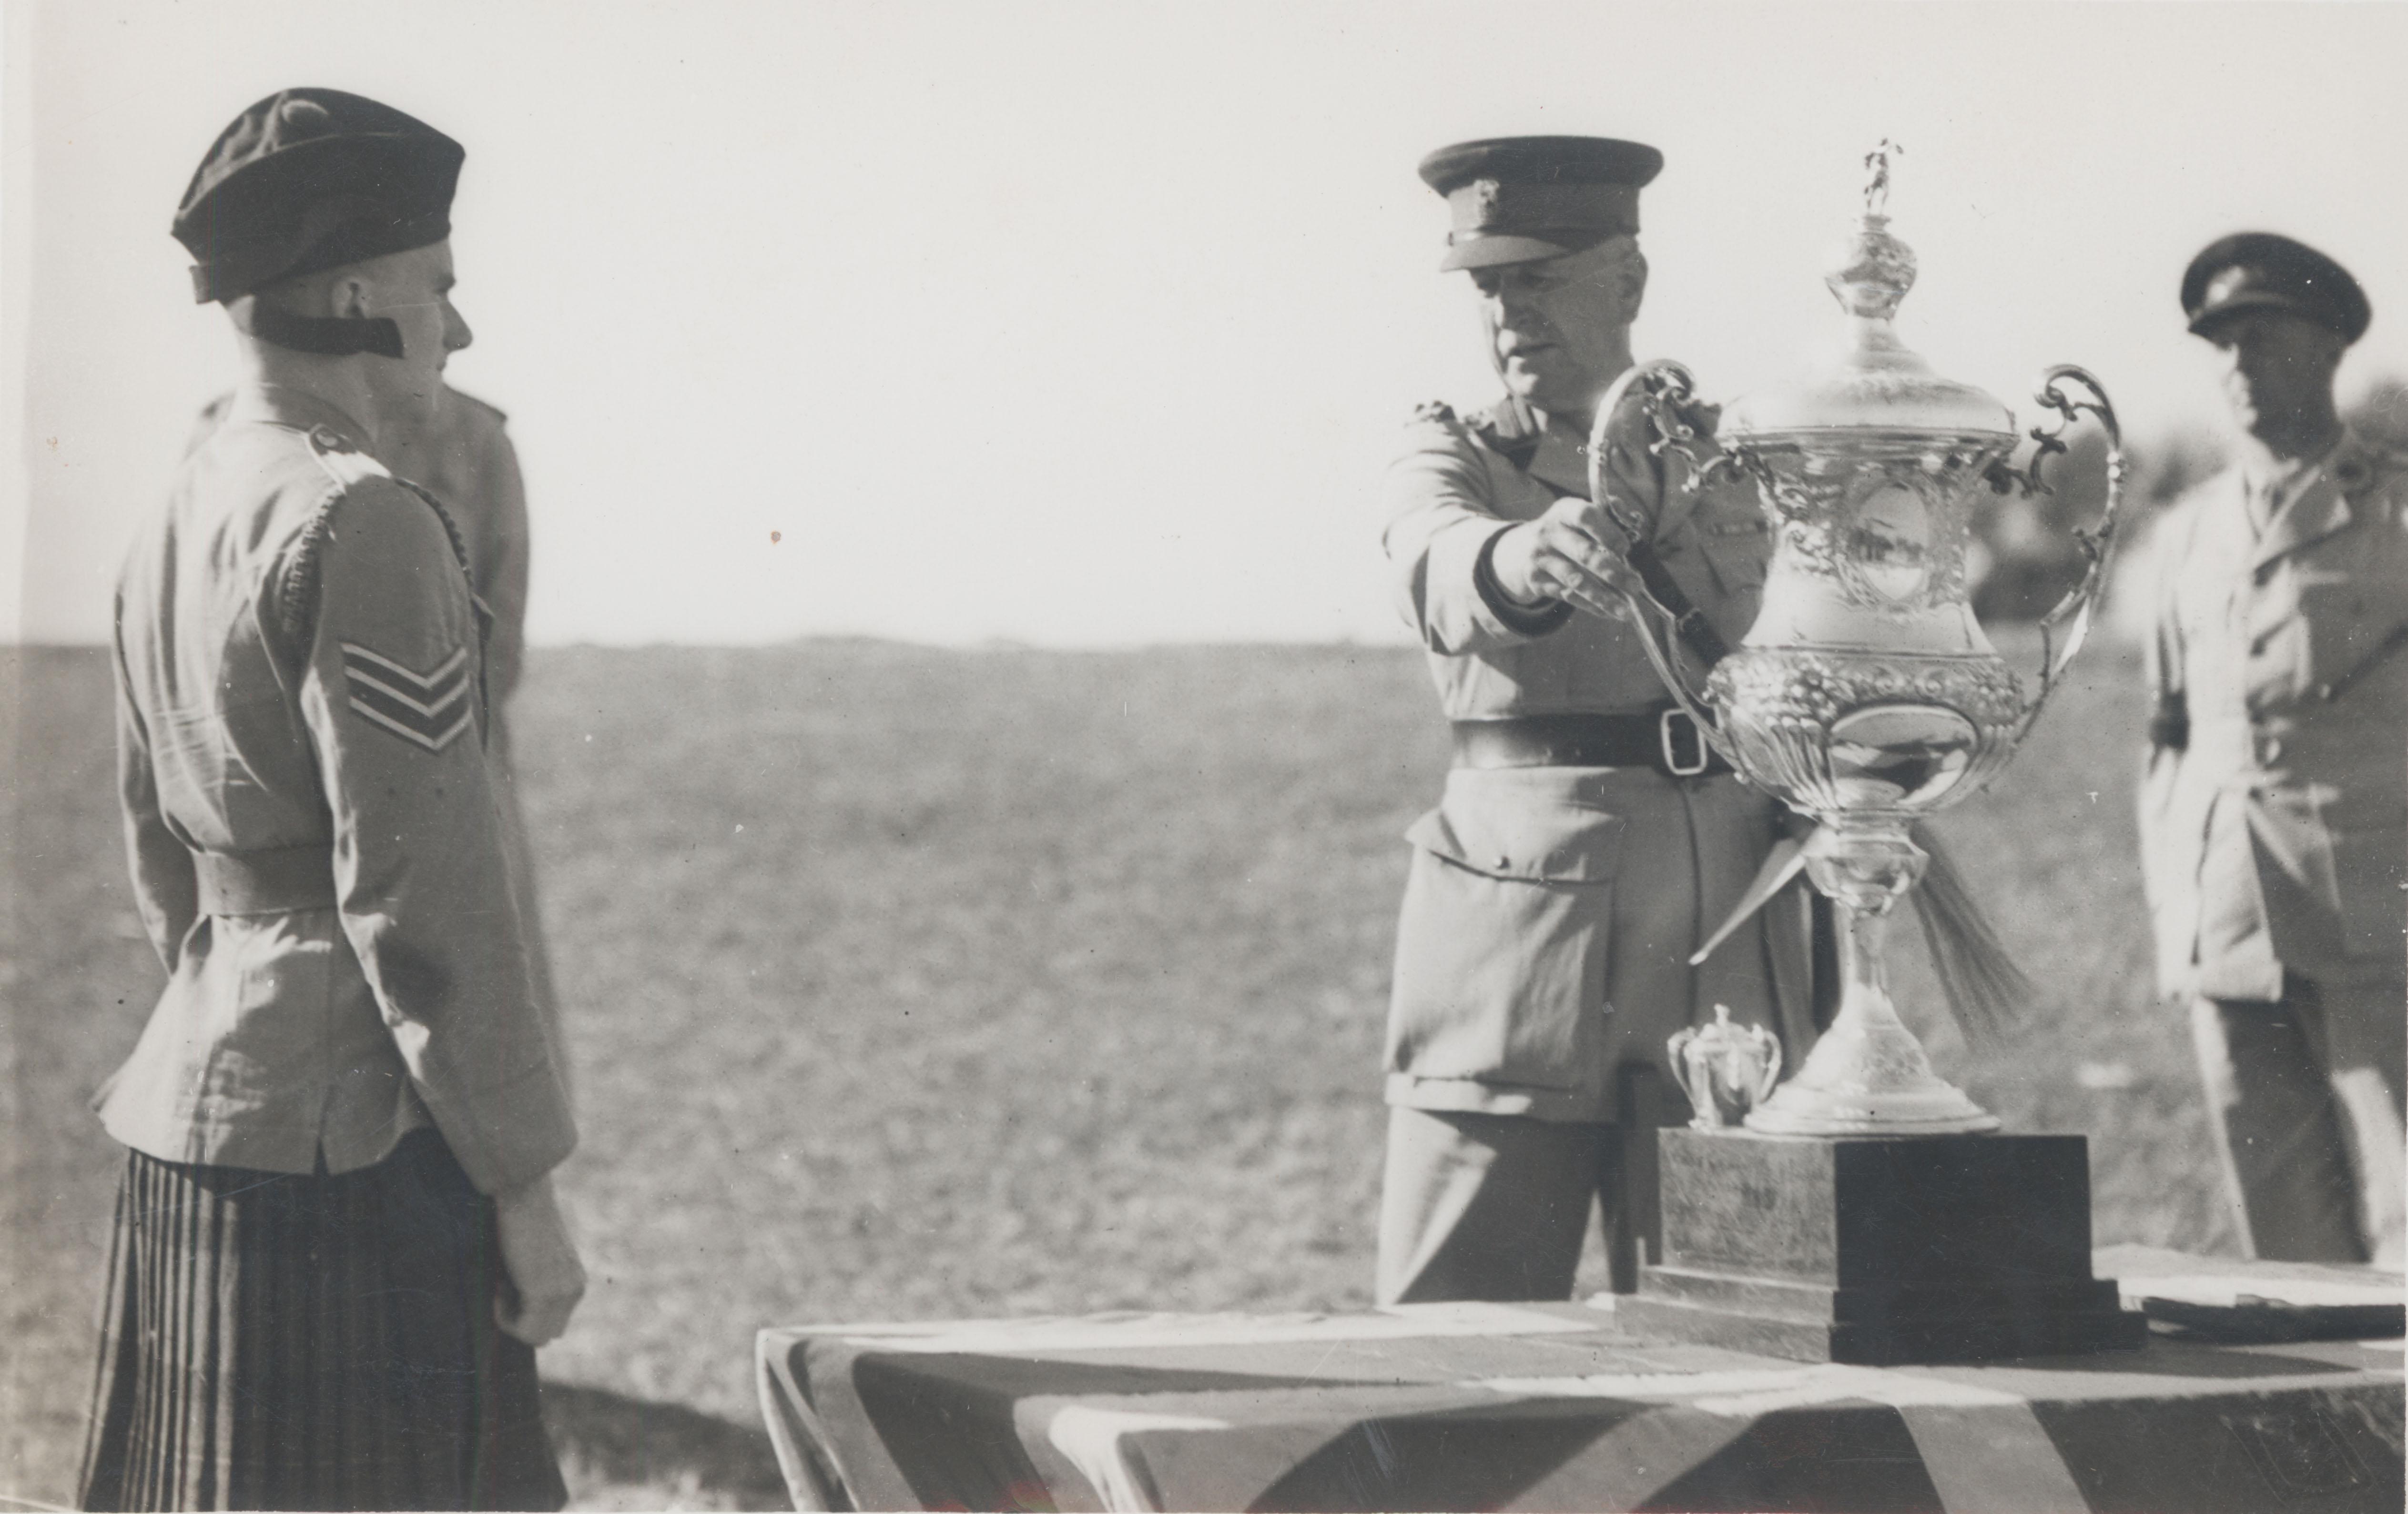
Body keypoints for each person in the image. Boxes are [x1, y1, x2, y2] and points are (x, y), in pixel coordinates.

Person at [80, 89, 583, 1509]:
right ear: (360, 294)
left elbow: (156, 854)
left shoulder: (174, 508)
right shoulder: (361, 520)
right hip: (359, 1156)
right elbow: (424, 898)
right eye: (440, 287)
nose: (457, 329)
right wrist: (523, 1187)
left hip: (200, 1111)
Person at [1376, 135, 1819, 1304]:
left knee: (1749, 1326)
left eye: (1541, 277)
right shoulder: (1457, 455)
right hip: (1523, 956)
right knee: (1456, 1342)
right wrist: (1524, 553)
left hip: (1729, 933)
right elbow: (1437, 559)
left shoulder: (1739, 460)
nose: (1509, 311)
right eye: (1491, 286)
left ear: (1626, 282)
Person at [2140, 232, 2408, 1268]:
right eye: (2223, 345)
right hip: (2227, 908)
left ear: (2330, 350)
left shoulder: (2393, 508)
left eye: (2264, 340)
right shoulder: (2185, 533)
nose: (2238, 365)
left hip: (2379, 907)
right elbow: (2164, 735)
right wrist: (2177, 907)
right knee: (2281, 1226)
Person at [185, 382, 566, 1092]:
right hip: (278, 810)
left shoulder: (477, 437)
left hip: (449, 779)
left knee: (479, 1037)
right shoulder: (218, 437)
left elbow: (498, 642)